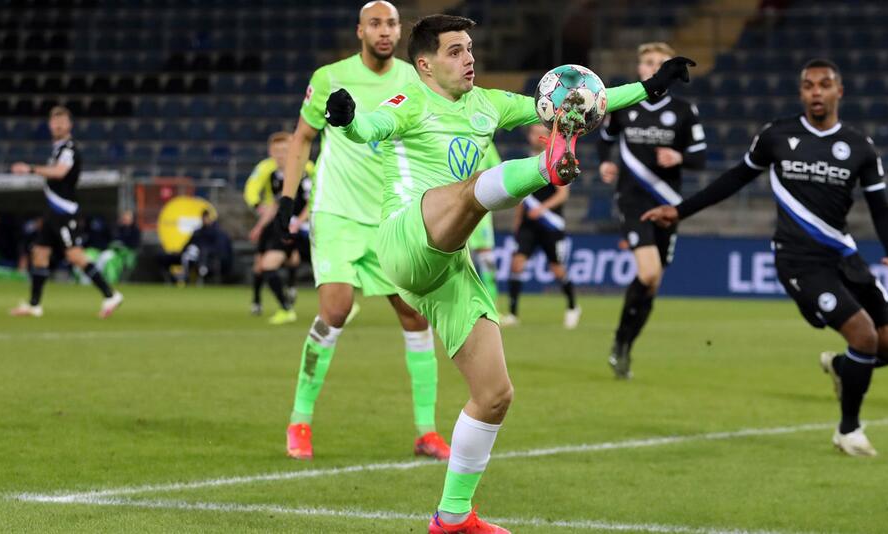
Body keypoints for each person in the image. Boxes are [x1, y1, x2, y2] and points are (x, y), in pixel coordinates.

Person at [277, 13, 693, 532]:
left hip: (447, 263)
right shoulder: (409, 102)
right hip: (404, 237)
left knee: (495, 393)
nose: (469, 57)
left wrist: (649, 87)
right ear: (424, 66)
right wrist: (344, 118)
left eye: (470, 48)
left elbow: (577, 101)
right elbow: (368, 126)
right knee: (473, 188)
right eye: (455, 51)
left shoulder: (490, 105)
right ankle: (547, 167)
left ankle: (452, 515)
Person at [643, 58, 888, 457]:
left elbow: (881, 206)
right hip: (798, 259)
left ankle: (841, 368)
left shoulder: (860, 147)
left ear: (840, 92)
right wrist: (680, 210)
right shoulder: (777, 135)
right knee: (864, 336)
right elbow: (734, 178)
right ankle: (848, 430)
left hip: (844, 255)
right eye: (808, 85)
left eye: (824, 85)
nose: (816, 92)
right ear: (801, 92)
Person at [277, 1, 450, 462]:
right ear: (360, 31)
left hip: (390, 216)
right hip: (337, 212)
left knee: (416, 317)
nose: (384, 31)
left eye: (391, 23)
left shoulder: (415, 80)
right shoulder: (330, 77)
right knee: (335, 307)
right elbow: (302, 139)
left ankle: (426, 431)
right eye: (375, 24)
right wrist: (287, 200)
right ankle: (300, 421)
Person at [597, 41, 706, 379]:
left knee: (653, 282)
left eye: (661, 62)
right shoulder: (625, 106)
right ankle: (619, 342)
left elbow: (700, 157)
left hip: (668, 204)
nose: (655, 67)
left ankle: (625, 345)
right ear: (641, 70)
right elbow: (605, 137)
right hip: (632, 199)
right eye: (649, 62)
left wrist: (679, 157)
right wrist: (604, 164)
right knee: (648, 273)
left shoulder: (686, 111)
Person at [9, 106, 123, 318]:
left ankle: (111, 295)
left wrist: (31, 169)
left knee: (74, 256)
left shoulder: (69, 149)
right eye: (55, 122)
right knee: (40, 253)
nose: (58, 126)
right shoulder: (57, 149)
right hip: (53, 212)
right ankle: (34, 305)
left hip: (65, 212)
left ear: (70, 125)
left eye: (62, 122)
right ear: (50, 125)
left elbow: (60, 172)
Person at [502, 123, 580, 329]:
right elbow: (522, 194)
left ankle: (573, 306)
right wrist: (518, 222)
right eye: (534, 133)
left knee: (557, 269)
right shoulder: (526, 160)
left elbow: (563, 194)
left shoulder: (557, 159)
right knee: (517, 264)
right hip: (529, 223)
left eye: (542, 133)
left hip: (550, 224)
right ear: (529, 136)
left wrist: (543, 208)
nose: (538, 137)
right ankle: (513, 313)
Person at [243, 131, 313, 324]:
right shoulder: (268, 170)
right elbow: (261, 196)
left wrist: (299, 222)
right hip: (276, 223)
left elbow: (314, 197)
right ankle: (261, 300)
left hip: (299, 227)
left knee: (279, 263)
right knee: (263, 265)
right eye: (277, 151)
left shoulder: (305, 169)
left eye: (285, 150)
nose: (281, 155)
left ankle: (288, 301)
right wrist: (260, 219)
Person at [467, 145, 501, 300]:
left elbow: (498, 170)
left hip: (480, 211)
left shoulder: (486, 140)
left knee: (487, 259)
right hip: (454, 208)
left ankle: (491, 304)